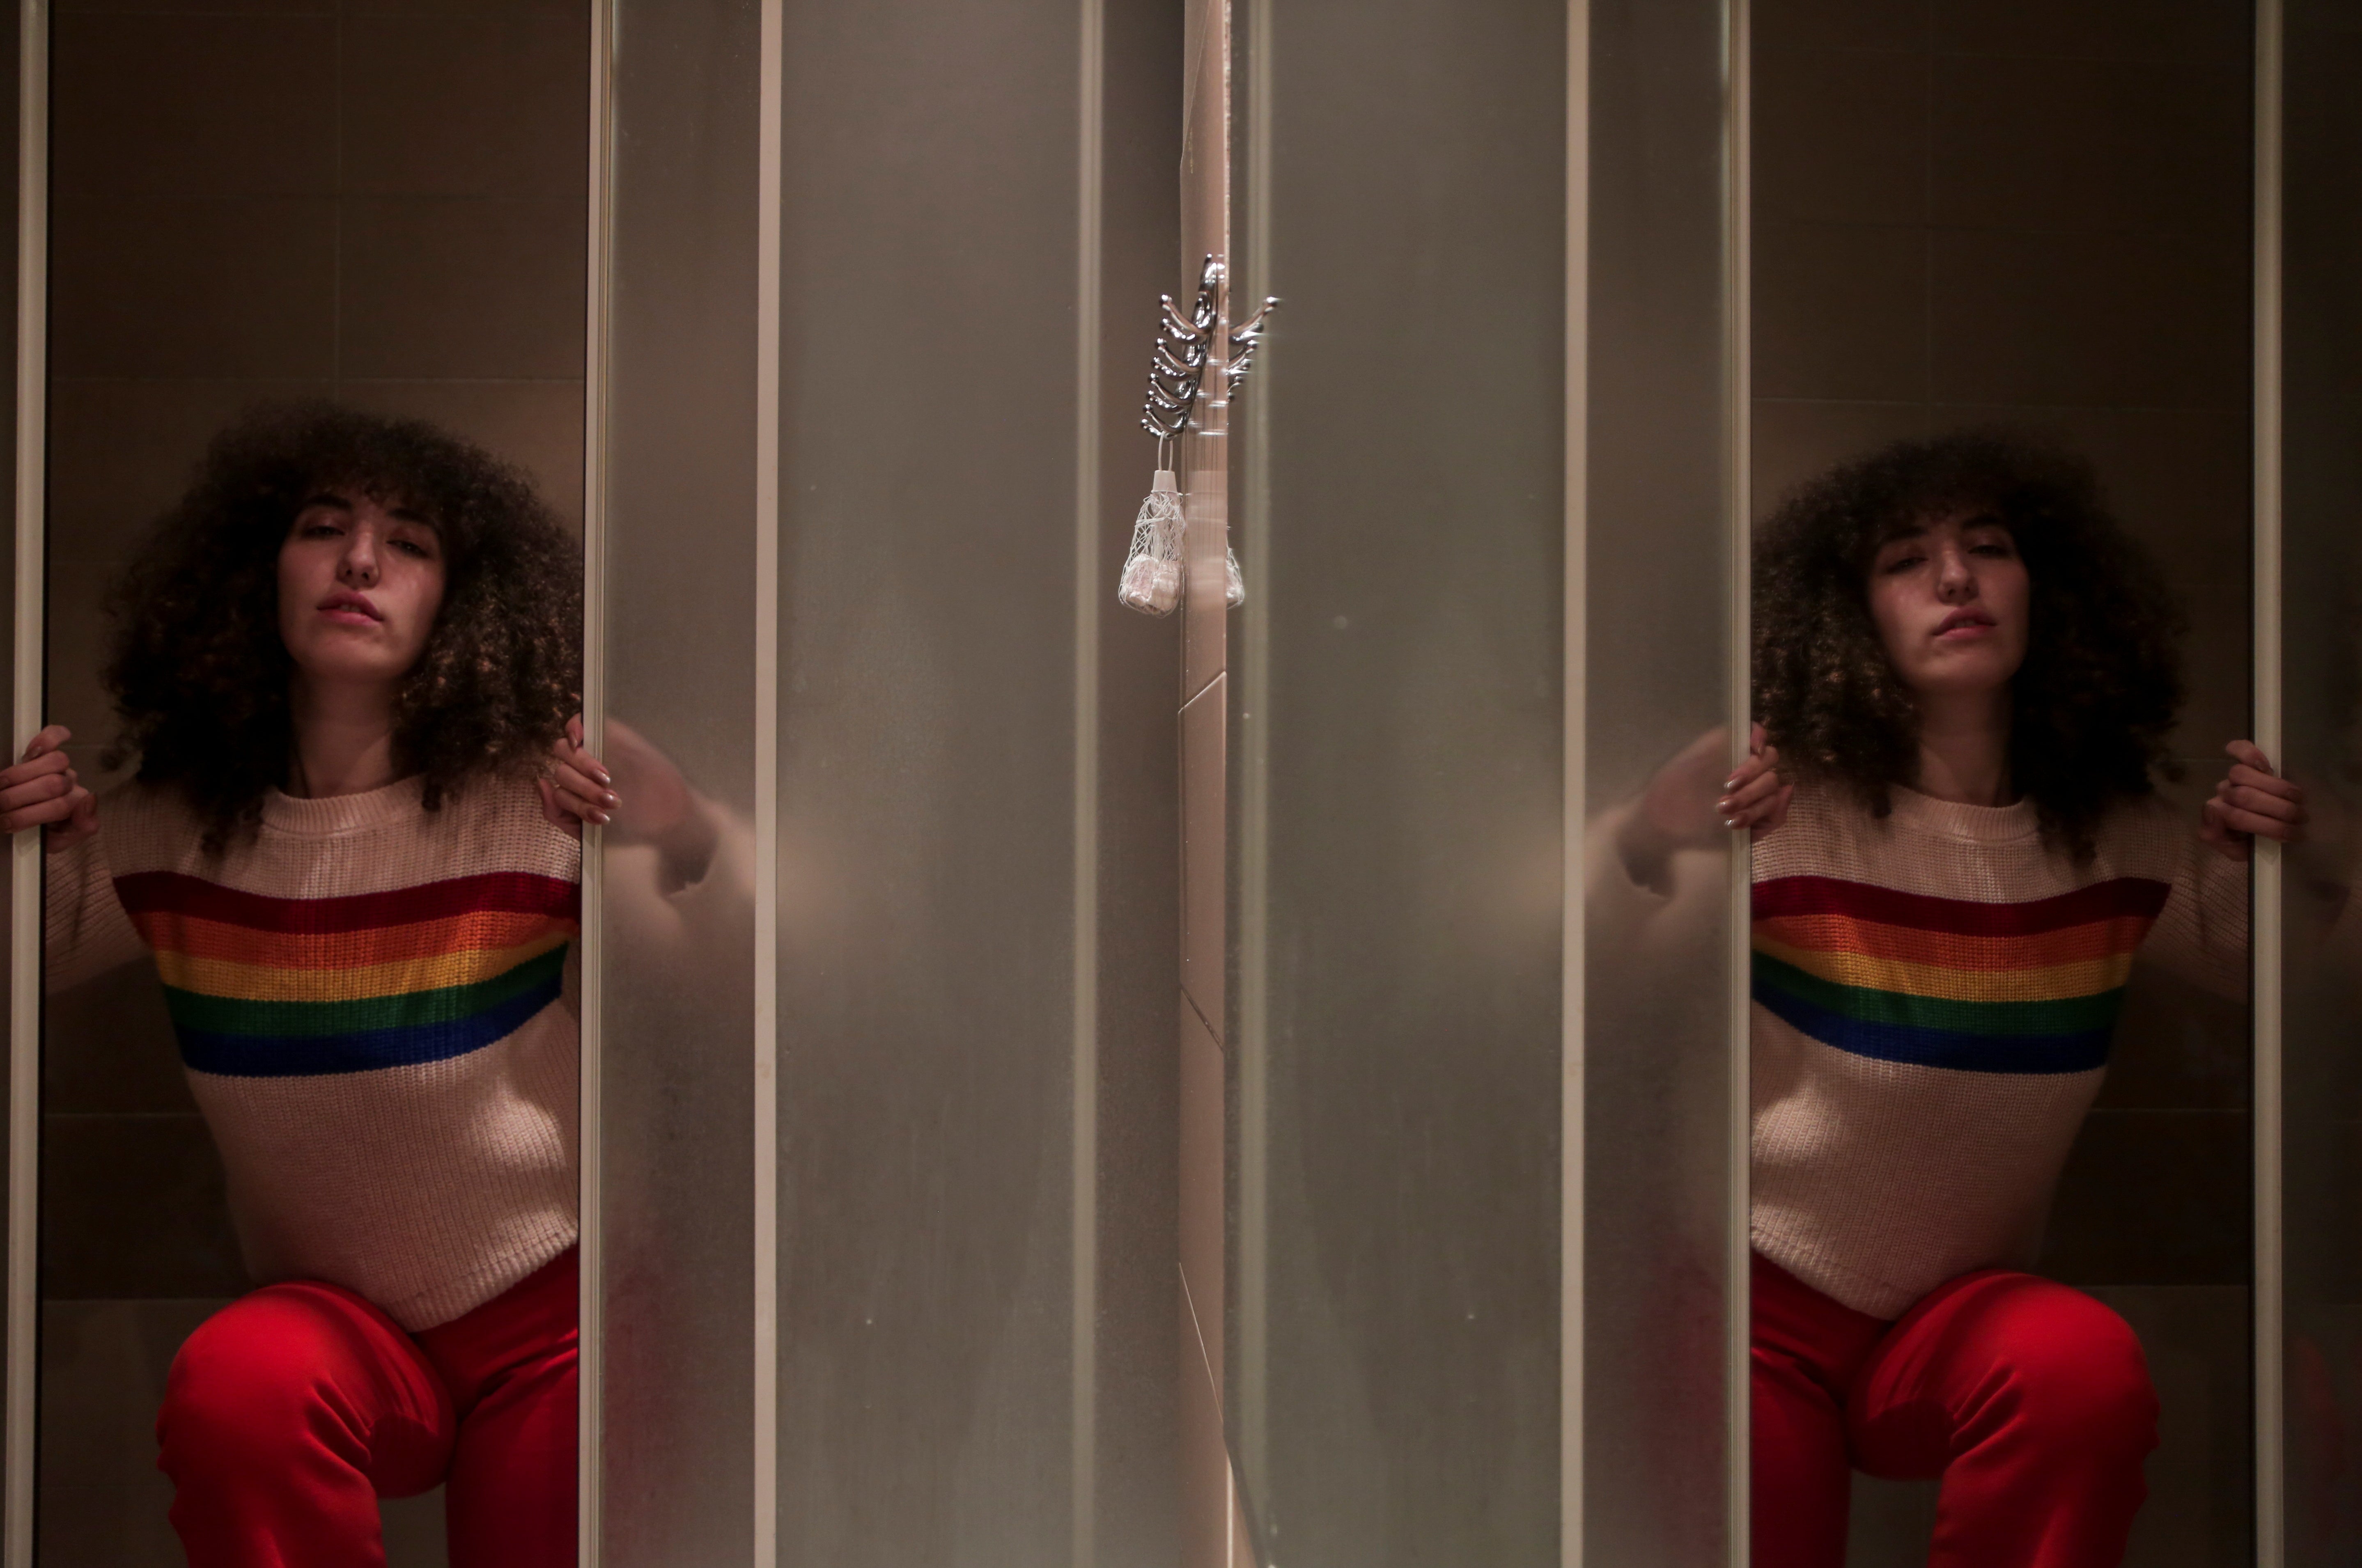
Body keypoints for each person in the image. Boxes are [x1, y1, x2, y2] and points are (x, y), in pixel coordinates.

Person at [0, 404, 723, 1568]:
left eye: (413, 543)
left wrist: (679, 828)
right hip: (335, 1332)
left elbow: (748, 976)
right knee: (235, 1386)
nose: (361, 560)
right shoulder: (168, 835)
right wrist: (11, 840)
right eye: (323, 527)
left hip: (562, 1323)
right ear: (256, 576)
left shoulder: (532, 807)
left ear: (460, 603)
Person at [1610, 433, 2304, 1568]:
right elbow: (1592, 969)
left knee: (2080, 1367)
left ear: (2050, 592)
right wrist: (1653, 834)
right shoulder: (1791, 815)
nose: (1953, 577)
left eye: (1987, 547)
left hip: (1952, 1321)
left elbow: (2266, 979)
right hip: (1749, 1315)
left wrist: (2267, 853)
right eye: (1904, 559)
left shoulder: (2113, 840)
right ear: (1849, 618)